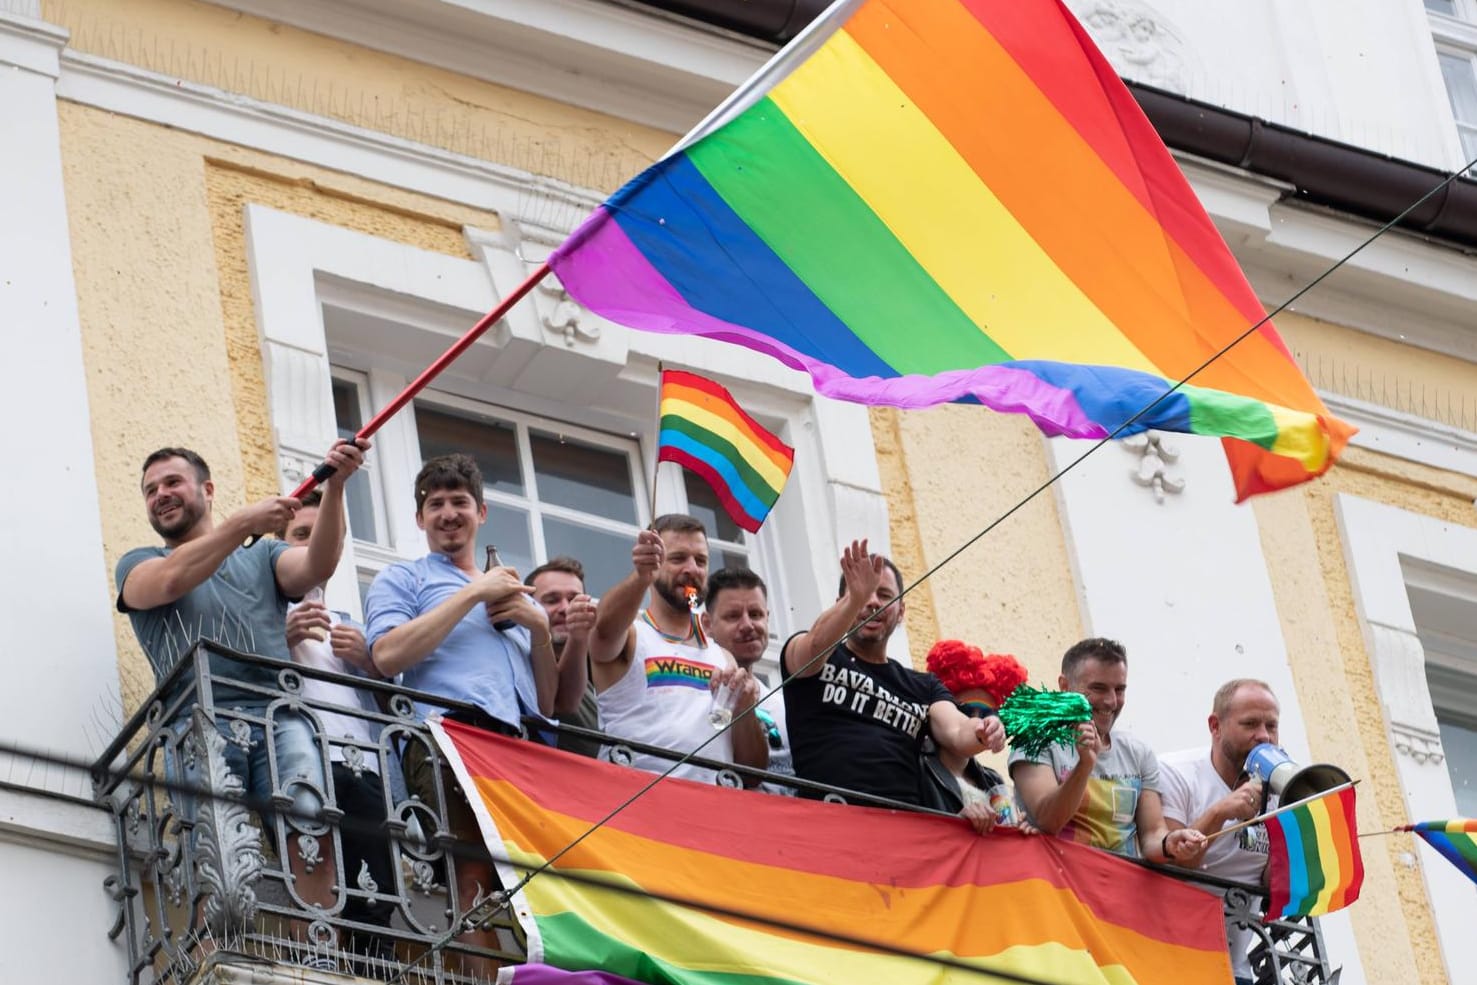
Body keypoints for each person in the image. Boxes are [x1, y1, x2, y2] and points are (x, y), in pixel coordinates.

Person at [116, 440, 367, 919]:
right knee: (212, 847)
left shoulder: (264, 555)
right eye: (150, 490)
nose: (160, 495)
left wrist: (335, 488)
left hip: (278, 715)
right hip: (197, 721)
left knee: (308, 830)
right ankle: (218, 947)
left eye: (172, 482)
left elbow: (317, 565)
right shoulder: (137, 561)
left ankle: (318, 951)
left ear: (207, 489)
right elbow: (169, 582)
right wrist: (241, 524)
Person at [364, 452, 557, 967]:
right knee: (469, 872)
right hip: (447, 736)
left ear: (482, 513)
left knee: (526, 888)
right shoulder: (404, 579)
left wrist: (539, 629)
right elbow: (385, 656)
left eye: (460, 502)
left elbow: (547, 702)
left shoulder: (514, 595)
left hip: (514, 749)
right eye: (435, 504)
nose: (448, 513)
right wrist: (475, 592)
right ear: (419, 518)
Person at [779, 539, 1006, 809]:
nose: (872, 601)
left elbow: (957, 730)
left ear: (901, 612)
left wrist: (984, 730)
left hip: (905, 824)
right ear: (840, 602)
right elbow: (814, 646)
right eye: (862, 594)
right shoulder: (812, 653)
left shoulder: (923, 686)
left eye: (884, 595)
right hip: (831, 816)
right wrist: (855, 599)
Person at [277, 492, 395, 942]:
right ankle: (320, 960)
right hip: (305, 762)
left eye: (320, 535)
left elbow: (393, 712)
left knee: (375, 890)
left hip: (362, 767)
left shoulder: (350, 625)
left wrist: (370, 663)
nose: (311, 546)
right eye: (299, 536)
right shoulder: (267, 618)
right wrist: (277, 637)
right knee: (313, 873)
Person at [587, 515, 768, 784]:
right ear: (655, 563)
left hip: (711, 808)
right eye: (678, 558)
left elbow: (750, 774)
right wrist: (640, 577)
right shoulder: (633, 634)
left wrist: (745, 710)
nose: (692, 569)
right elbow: (602, 630)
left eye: (701, 560)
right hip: (635, 802)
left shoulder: (723, 656)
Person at [1009, 637, 1206, 864]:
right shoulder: (1034, 741)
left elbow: (1152, 834)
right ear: (1065, 686)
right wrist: (1085, 766)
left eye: (1119, 689)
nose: (1111, 701)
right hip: (1056, 889)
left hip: (1120, 892)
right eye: (1098, 688)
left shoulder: (1138, 752)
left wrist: (1169, 843)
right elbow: (1048, 821)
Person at [1161, 679, 1282, 985]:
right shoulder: (1175, 772)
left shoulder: (1281, 791)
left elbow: (1276, 886)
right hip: (1168, 955)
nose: (1264, 736)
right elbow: (1173, 862)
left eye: (1271, 725)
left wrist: (1296, 827)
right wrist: (1219, 812)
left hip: (1234, 971)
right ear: (1215, 726)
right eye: (1250, 724)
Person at [701, 567, 794, 794]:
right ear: (707, 624)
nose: (747, 625)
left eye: (755, 614)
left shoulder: (783, 706)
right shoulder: (697, 693)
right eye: (733, 616)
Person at [921, 641, 1029, 826]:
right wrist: (957, 824)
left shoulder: (993, 780)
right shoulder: (918, 766)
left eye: (988, 715)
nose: (978, 722)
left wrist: (1020, 828)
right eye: (965, 712)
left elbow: (1002, 834)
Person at [525, 557, 601, 758]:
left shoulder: (601, 666)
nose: (566, 609)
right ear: (528, 606)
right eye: (551, 600)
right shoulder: (517, 660)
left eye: (574, 600)